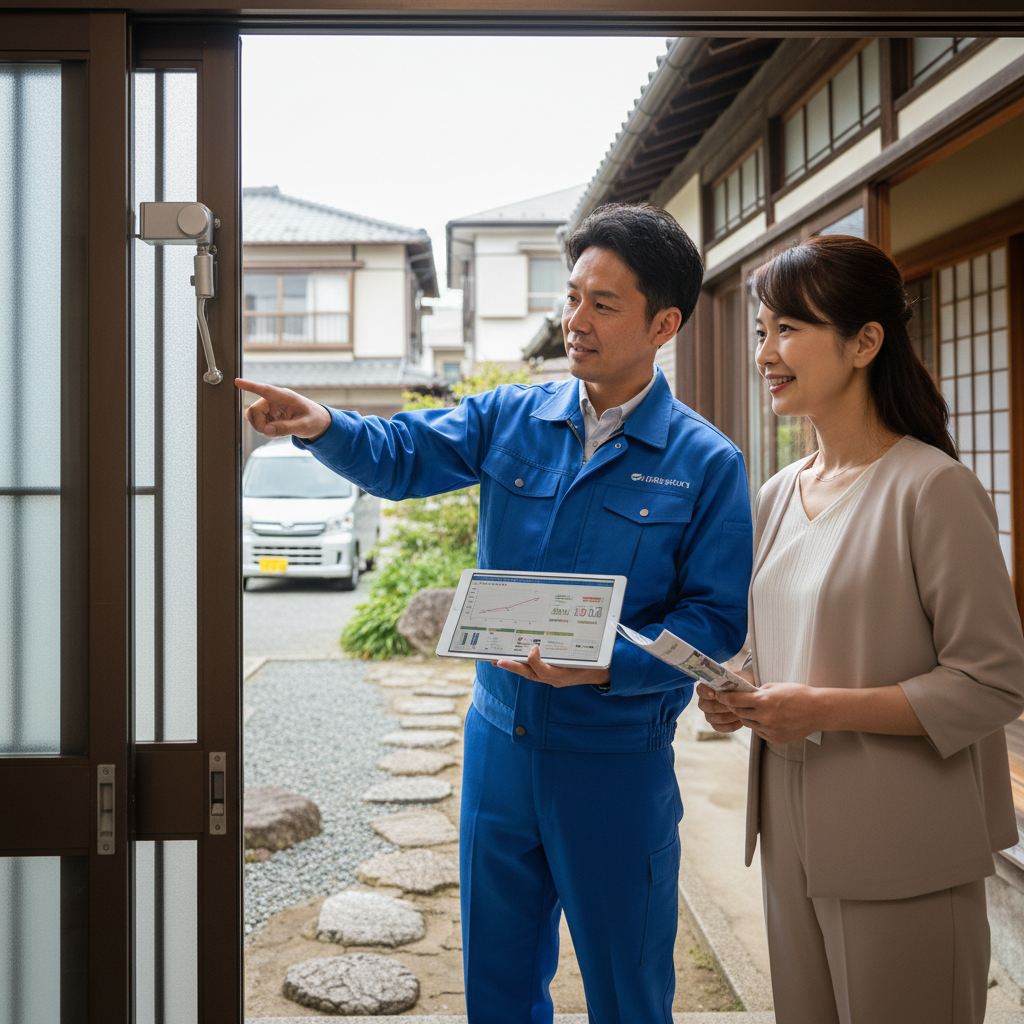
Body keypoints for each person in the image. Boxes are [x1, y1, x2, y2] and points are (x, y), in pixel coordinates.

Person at [237, 202, 753, 1024]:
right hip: (498, 745)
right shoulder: (511, 416)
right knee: (498, 986)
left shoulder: (706, 462)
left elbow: (714, 624)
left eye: (602, 304)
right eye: (572, 296)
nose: (575, 321)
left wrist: (608, 667)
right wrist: (323, 425)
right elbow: (401, 456)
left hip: (615, 760)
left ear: (664, 324)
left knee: (627, 990)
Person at [696, 234, 1024, 1024]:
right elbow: (784, 640)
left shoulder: (933, 488)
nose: (765, 354)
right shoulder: (777, 493)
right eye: (761, 331)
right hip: (788, 836)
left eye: (788, 330)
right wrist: (739, 690)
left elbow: (993, 681)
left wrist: (823, 709)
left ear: (865, 342)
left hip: (902, 838)